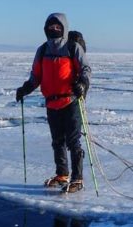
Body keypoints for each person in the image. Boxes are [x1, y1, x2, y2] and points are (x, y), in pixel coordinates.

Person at [15, 13, 92, 193]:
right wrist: (25, 88)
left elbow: (86, 69)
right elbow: (36, 76)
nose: (54, 30)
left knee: (73, 142)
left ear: (64, 28)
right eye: (51, 27)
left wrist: (83, 84)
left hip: (71, 100)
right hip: (51, 103)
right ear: (45, 29)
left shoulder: (72, 48)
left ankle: (77, 178)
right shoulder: (42, 51)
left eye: (58, 27)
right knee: (57, 141)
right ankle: (62, 174)